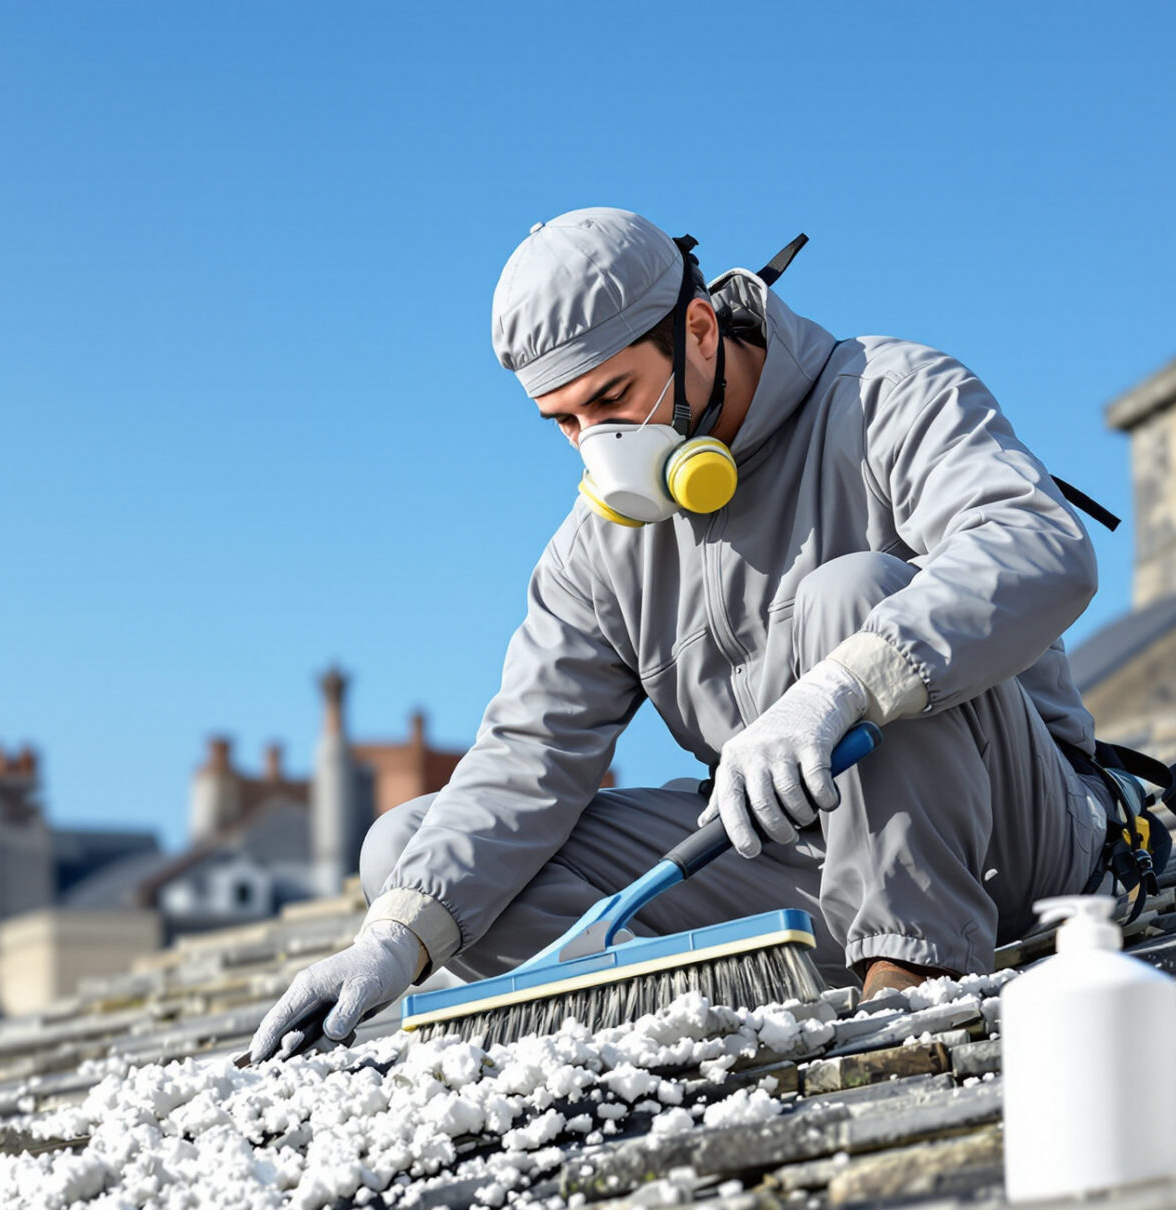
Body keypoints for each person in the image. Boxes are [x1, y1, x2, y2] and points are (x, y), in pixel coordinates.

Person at [249, 207, 1122, 1064]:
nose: (599, 445)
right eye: (566, 422)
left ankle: (909, 980)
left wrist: (841, 685)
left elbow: (1039, 547)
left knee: (850, 593)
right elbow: (529, 754)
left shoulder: (888, 395)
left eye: (613, 398)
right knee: (406, 853)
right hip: (799, 863)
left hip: (1014, 836)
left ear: (698, 329)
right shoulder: (593, 552)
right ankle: (734, 1003)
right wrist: (396, 940)